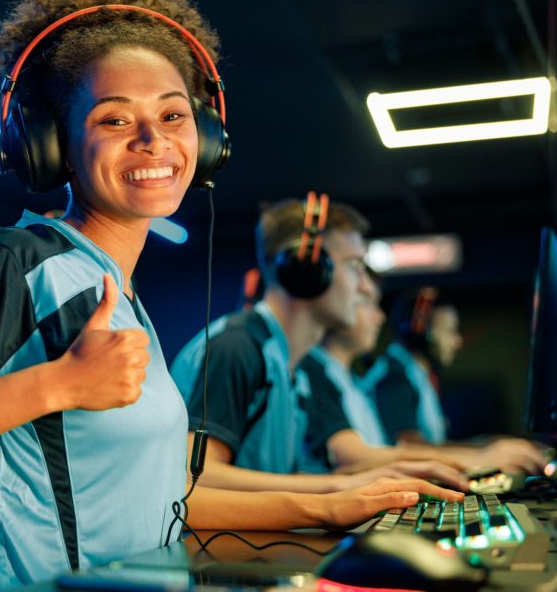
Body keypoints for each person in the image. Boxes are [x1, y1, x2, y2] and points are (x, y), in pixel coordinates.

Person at [0, 0, 461, 591]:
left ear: (204, 136)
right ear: (52, 144)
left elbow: (161, 502)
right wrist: (54, 385)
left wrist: (343, 503)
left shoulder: (118, 297)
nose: (152, 139)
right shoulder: (17, 263)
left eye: (173, 115)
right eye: (114, 119)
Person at [172, 198, 469, 492]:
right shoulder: (238, 347)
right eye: (355, 266)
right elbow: (195, 476)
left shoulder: (292, 366)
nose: (365, 286)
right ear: (307, 270)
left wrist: (365, 479)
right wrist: (336, 488)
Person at [302, 280, 545, 475]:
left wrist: (484, 447)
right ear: (419, 330)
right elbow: (401, 447)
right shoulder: (393, 377)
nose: (379, 317)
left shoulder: (354, 377)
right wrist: (479, 457)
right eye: (448, 331)